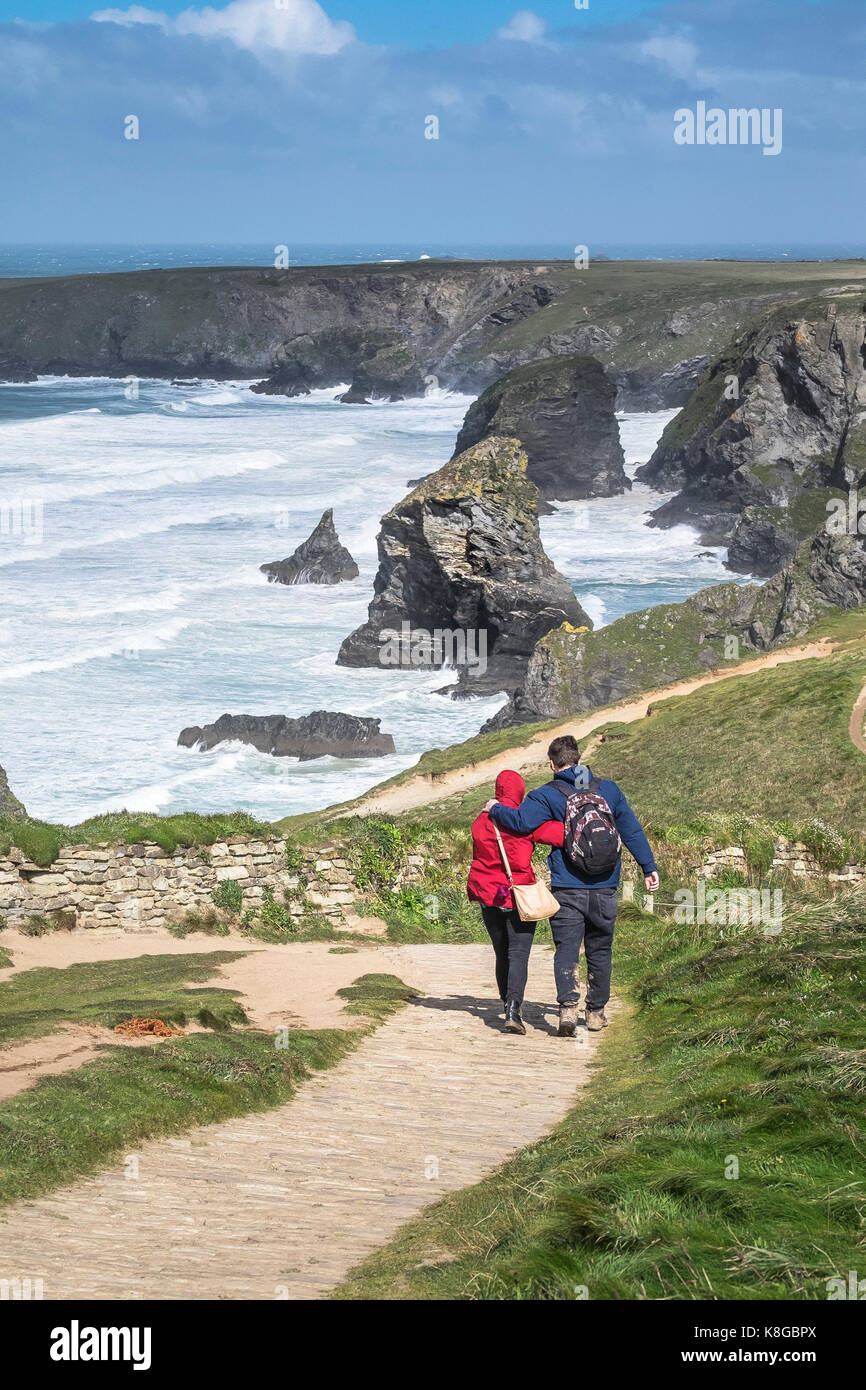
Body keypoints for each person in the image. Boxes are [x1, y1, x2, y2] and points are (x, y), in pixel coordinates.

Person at [487, 734, 658, 1038]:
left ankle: (567, 1010)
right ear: (579, 759)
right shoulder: (608, 789)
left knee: (566, 950)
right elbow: (630, 829)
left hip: (568, 886)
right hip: (605, 885)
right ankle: (595, 1013)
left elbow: (520, 824)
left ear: (552, 764)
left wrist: (494, 809)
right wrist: (649, 867)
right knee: (600, 949)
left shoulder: (547, 794)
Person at [467, 769, 564, 1036]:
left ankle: (505, 1000)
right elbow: (559, 835)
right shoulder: (525, 819)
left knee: (501, 951)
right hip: (517, 891)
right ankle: (513, 1009)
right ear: (520, 790)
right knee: (518, 954)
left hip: (489, 893)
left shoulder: (480, 820)